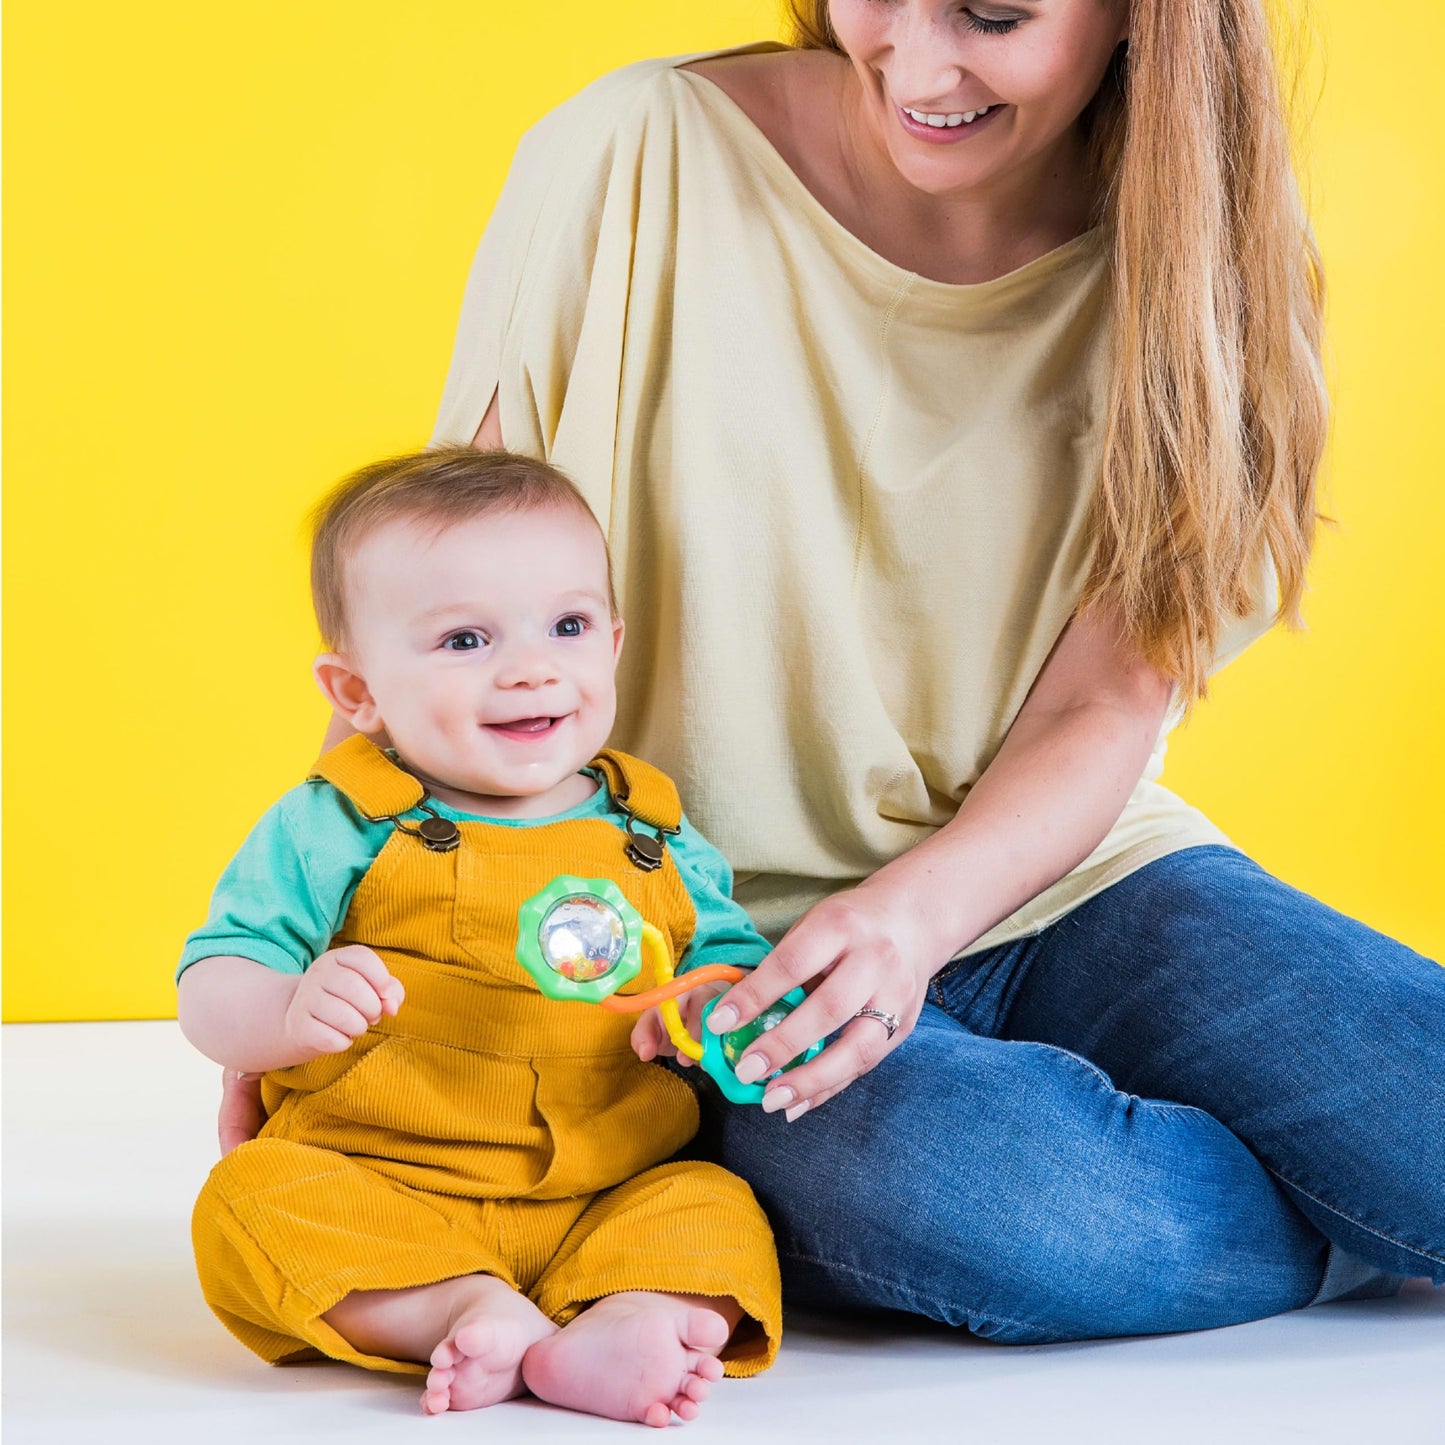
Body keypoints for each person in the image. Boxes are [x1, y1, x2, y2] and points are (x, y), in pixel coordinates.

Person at [224, 0, 1445, 1340]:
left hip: (1065, 871)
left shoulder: (1214, 256)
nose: (917, 65)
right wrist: (319, 953)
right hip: (695, 960)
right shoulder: (630, 155)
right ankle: (1338, 1223)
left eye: (994, 13)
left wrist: (913, 923)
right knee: (1016, 1210)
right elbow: (446, 594)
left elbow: (1109, 699)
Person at [179, 446, 782, 1426]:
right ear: (357, 693)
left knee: (712, 1204)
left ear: (613, 641)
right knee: (252, 1198)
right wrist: (284, 1008)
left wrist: (705, 1003)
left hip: (608, 1185)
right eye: (465, 639)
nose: (532, 666)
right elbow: (214, 977)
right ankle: (452, 1306)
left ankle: (627, 1311)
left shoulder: (655, 830)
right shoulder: (335, 822)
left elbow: (730, 960)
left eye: (569, 625)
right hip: (386, 1181)